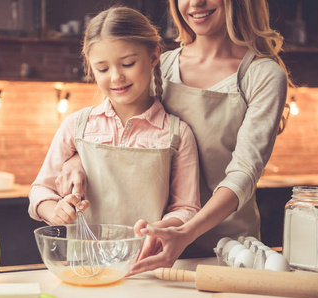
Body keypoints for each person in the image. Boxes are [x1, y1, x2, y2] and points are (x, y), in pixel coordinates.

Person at [55, 0, 291, 276]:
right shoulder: (163, 65)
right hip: (154, 246)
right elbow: (121, 130)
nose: (196, 3)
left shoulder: (262, 75)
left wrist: (186, 232)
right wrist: (76, 159)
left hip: (230, 252)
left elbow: (244, 173)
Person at [28, 7, 201, 239]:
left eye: (128, 64)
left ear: (153, 56)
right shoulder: (75, 126)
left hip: (148, 263)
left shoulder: (177, 133)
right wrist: (55, 211)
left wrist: (157, 229)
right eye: (102, 68)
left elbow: (187, 208)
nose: (116, 77)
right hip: (85, 268)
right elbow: (40, 189)